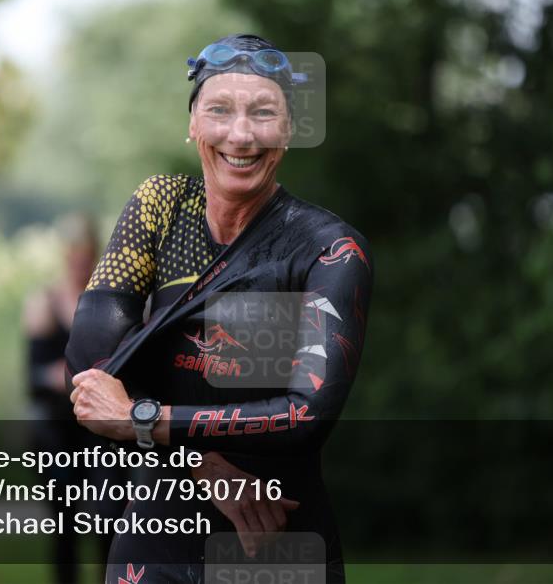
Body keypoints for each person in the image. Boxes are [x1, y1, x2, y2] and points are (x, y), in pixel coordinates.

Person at [65, 34, 373, 583]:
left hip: (276, 540)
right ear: (192, 124)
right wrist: (204, 467)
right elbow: (91, 371)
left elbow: (305, 415)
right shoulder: (160, 207)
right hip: (154, 540)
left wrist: (142, 418)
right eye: (219, 110)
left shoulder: (327, 248)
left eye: (263, 113)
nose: (241, 134)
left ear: (289, 130)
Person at [23, 213, 116, 583]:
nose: (80, 261)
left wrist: (67, 374)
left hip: (102, 430)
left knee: (109, 517)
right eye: (74, 253)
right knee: (64, 522)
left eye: (86, 254)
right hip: (58, 430)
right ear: (65, 254)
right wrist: (78, 377)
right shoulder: (42, 302)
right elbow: (33, 376)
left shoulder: (111, 301)